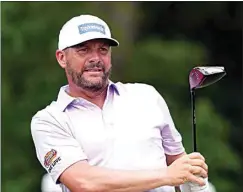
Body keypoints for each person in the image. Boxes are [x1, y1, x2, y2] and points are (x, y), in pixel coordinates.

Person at [31, 14, 209, 192]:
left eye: (103, 50)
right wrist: (167, 175)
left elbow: (178, 163)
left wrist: (192, 174)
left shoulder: (146, 96)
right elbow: (84, 183)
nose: (96, 58)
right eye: (83, 50)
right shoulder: (49, 120)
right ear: (62, 58)